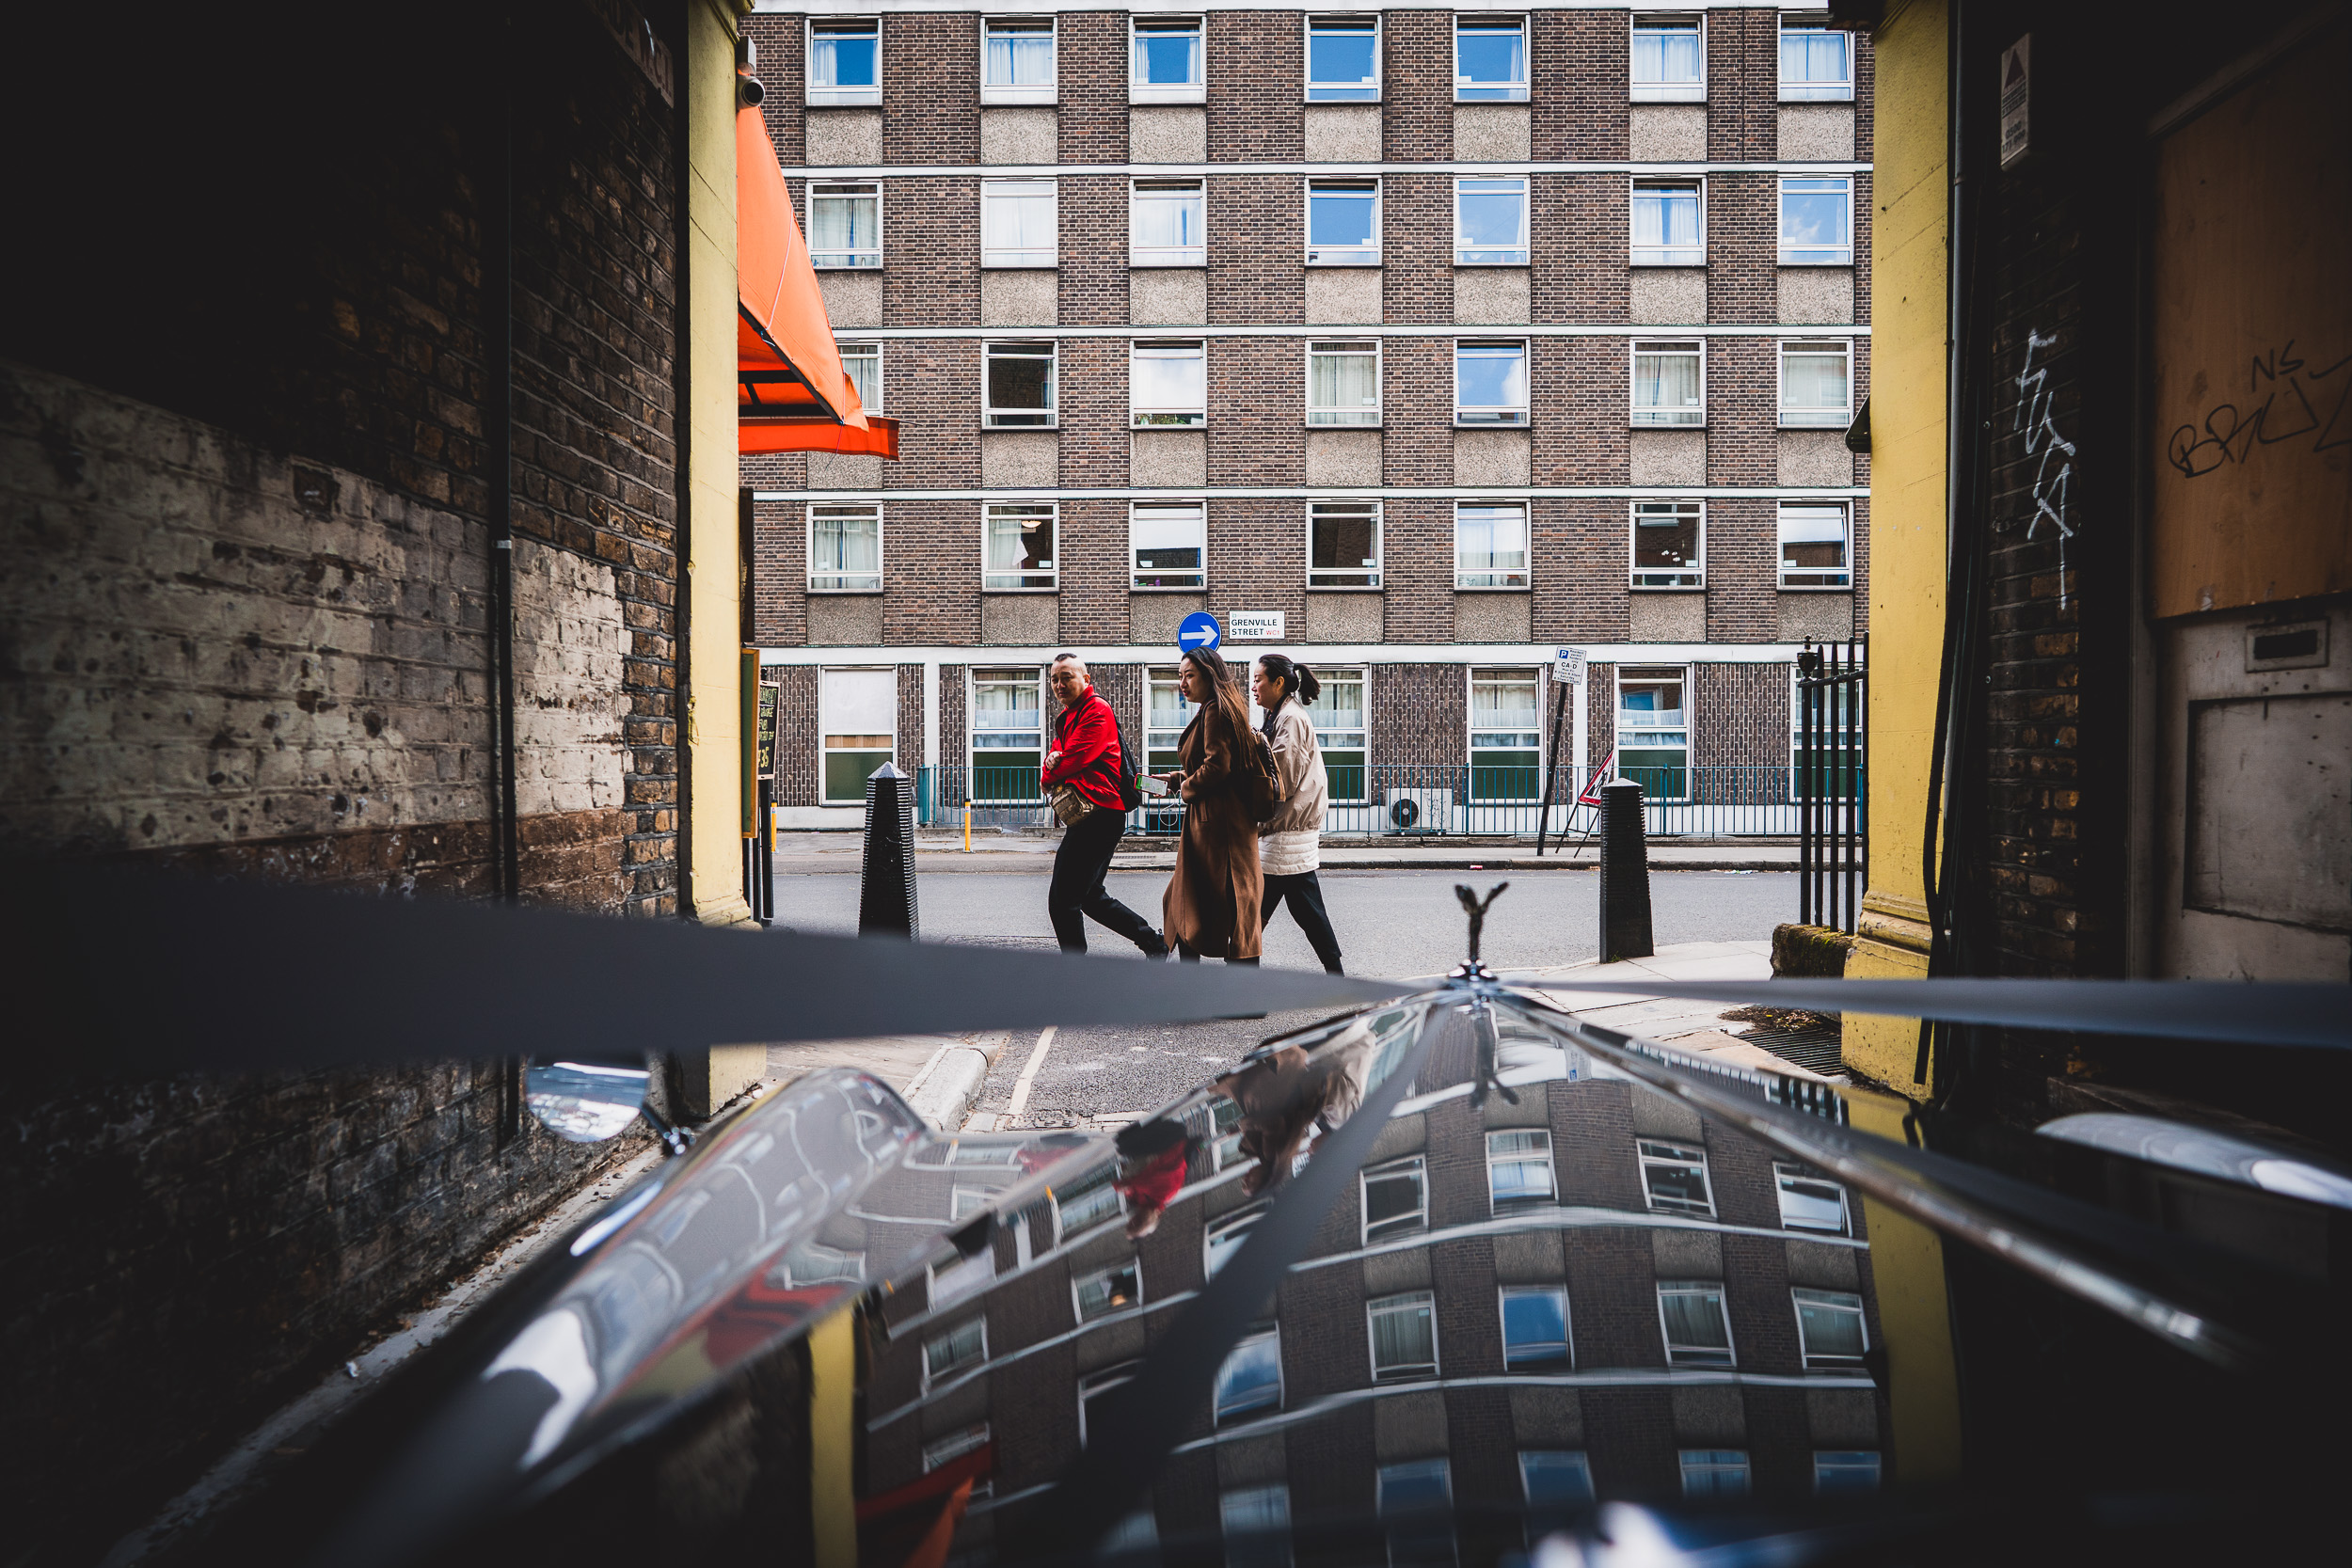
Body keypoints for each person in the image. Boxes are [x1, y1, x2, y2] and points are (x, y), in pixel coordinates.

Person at [1040, 654, 1167, 958]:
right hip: (1095, 815)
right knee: (1090, 896)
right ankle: (1153, 942)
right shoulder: (1070, 715)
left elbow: (1071, 759)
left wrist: (1049, 770)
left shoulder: (1096, 710)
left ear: (1086, 680)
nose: (1059, 684)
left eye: (1067, 677)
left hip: (1099, 814)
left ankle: (1076, 972)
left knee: (1062, 901)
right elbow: (1059, 754)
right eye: (1055, 679)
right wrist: (1055, 762)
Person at [1157, 645, 1263, 964]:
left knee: (1199, 905)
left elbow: (1218, 767)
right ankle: (1208, 991)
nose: (1182, 683)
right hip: (1217, 826)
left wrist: (1186, 788)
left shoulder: (1216, 709)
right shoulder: (1216, 707)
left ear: (1209, 675)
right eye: (1180, 676)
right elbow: (1210, 764)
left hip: (1218, 829)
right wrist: (1176, 779)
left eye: (1189, 675)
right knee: (1195, 904)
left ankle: (1207, 993)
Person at [1250, 653, 1345, 974]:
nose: (1253, 686)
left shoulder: (1289, 718)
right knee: (1302, 909)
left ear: (1278, 682)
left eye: (1258, 679)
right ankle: (1335, 974)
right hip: (1287, 830)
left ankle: (1240, 979)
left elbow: (1281, 781)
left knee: (1257, 912)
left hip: (1285, 830)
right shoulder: (1282, 714)